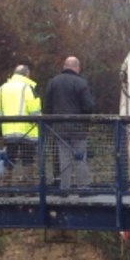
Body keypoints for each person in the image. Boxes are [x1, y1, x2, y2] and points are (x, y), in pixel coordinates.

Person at [43, 56, 96, 191]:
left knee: (64, 159)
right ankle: (83, 188)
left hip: (59, 127)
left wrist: (51, 122)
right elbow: (89, 106)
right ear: (77, 67)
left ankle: (64, 189)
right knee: (80, 158)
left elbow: (47, 106)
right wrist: (86, 120)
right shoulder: (81, 83)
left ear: (64, 66)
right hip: (78, 127)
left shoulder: (53, 82)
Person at [0, 65, 41, 183]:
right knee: (28, 159)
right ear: (27, 74)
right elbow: (35, 111)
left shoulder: (2, 88)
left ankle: (6, 186)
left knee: (9, 158)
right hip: (27, 131)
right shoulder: (27, 88)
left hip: (8, 132)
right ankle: (28, 187)